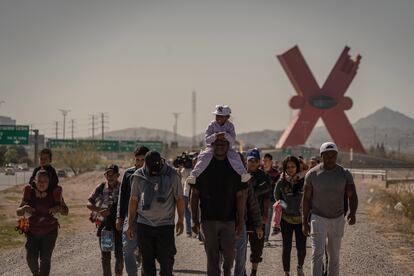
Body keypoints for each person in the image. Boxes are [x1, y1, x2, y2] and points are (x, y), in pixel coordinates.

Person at [190, 136, 247, 276]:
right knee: (212, 256)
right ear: (212, 145)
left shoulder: (235, 166)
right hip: (208, 220)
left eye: (223, 143)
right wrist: (194, 220)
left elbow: (240, 196)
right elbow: (194, 194)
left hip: (229, 219)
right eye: (217, 143)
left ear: (228, 146)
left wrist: (240, 221)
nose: (220, 146)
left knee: (229, 254)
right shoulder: (203, 165)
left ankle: (227, 271)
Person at [302, 142, 358, 276]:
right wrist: (304, 221)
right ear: (321, 156)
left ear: (337, 155)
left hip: (337, 218)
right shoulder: (312, 174)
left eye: (333, 155)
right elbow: (306, 199)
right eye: (327, 155)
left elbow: (352, 195)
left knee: (334, 255)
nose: (331, 158)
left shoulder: (344, 174)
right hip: (318, 217)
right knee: (317, 254)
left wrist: (353, 212)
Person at [127, 151, 185, 276]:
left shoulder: (172, 175)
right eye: (151, 168)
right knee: (147, 265)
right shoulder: (138, 176)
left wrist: (180, 219)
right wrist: (130, 223)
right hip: (144, 225)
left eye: (156, 168)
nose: (154, 171)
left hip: (165, 225)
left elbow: (179, 198)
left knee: (167, 263)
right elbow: (133, 200)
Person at [17, 169, 68, 276]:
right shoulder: (29, 192)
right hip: (32, 231)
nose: (42, 183)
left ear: (49, 183)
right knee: (30, 258)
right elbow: (18, 212)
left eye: (45, 181)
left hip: (50, 231)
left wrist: (59, 208)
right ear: (34, 181)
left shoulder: (55, 193)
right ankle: (36, 274)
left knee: (45, 259)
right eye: (39, 180)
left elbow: (66, 212)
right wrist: (24, 208)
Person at [188, 105, 250, 183]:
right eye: (217, 116)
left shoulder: (230, 126)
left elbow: (232, 140)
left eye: (221, 116)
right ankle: (194, 175)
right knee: (203, 157)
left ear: (227, 117)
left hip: (227, 148)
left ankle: (243, 174)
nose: (218, 118)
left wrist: (225, 135)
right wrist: (216, 136)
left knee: (235, 157)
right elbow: (207, 140)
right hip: (212, 148)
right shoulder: (211, 125)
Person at [116, 146, 149, 276]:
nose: (140, 162)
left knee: (146, 252)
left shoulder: (153, 174)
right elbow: (122, 196)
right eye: (137, 159)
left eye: (143, 159)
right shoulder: (129, 174)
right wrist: (119, 217)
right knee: (127, 249)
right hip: (130, 218)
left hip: (147, 219)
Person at [87, 164, 123, 276]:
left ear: (118, 175)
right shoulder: (101, 187)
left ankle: (118, 273)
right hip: (105, 226)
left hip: (119, 225)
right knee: (106, 256)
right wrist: (99, 210)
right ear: (105, 175)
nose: (110, 176)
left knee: (120, 254)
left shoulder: (124, 187)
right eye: (108, 174)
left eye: (113, 174)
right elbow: (89, 203)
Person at [274, 156, 307, 276]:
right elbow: (276, 196)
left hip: (301, 220)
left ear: (297, 167)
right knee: (286, 247)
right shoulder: (282, 181)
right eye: (288, 167)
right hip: (286, 219)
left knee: (301, 247)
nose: (290, 169)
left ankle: (300, 267)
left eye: (293, 166)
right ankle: (286, 272)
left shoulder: (304, 179)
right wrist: (284, 205)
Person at [234, 152, 263, 276]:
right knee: (221, 259)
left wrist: (258, 225)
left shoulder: (245, 179)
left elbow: (253, 204)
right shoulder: (219, 177)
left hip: (240, 223)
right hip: (221, 223)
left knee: (240, 259)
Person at [245, 148, 272, 276]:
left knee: (257, 248)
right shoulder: (241, 174)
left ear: (259, 161)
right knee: (240, 247)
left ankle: (254, 271)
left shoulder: (264, 176)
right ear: (247, 160)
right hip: (242, 217)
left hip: (258, 217)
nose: (253, 163)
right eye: (251, 160)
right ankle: (241, 270)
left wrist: (265, 217)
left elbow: (267, 198)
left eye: (255, 160)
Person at [261, 153, 281, 245]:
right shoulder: (259, 172)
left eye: (266, 161)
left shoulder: (276, 174)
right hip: (259, 200)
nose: (265, 162)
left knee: (268, 219)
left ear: (271, 162)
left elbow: (278, 187)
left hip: (270, 200)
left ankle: (265, 239)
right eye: (263, 160)